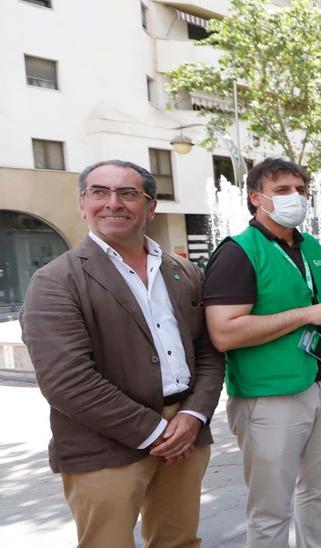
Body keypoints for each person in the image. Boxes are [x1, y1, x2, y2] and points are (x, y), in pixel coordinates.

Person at [20, 160, 224, 548]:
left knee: (180, 541)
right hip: (103, 442)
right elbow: (66, 380)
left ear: (150, 208)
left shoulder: (182, 271)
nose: (113, 203)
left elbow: (208, 351)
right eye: (99, 192)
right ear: (83, 204)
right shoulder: (54, 280)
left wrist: (194, 415)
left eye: (128, 193)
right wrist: (154, 431)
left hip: (185, 430)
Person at [204, 158, 321, 548]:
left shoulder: (311, 247)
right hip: (270, 398)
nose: (296, 198)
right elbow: (224, 332)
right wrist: (308, 314)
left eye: (301, 190)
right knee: (271, 510)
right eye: (283, 191)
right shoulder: (238, 252)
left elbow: (314, 303)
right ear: (257, 198)